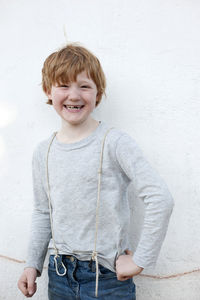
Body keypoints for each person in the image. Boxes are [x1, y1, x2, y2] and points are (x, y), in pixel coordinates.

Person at [17, 43, 174, 300]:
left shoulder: (114, 143)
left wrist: (141, 260)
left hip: (107, 280)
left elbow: (160, 198)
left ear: (98, 93)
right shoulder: (43, 152)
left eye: (85, 86)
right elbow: (43, 212)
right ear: (48, 90)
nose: (74, 95)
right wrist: (32, 265)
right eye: (63, 85)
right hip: (59, 276)